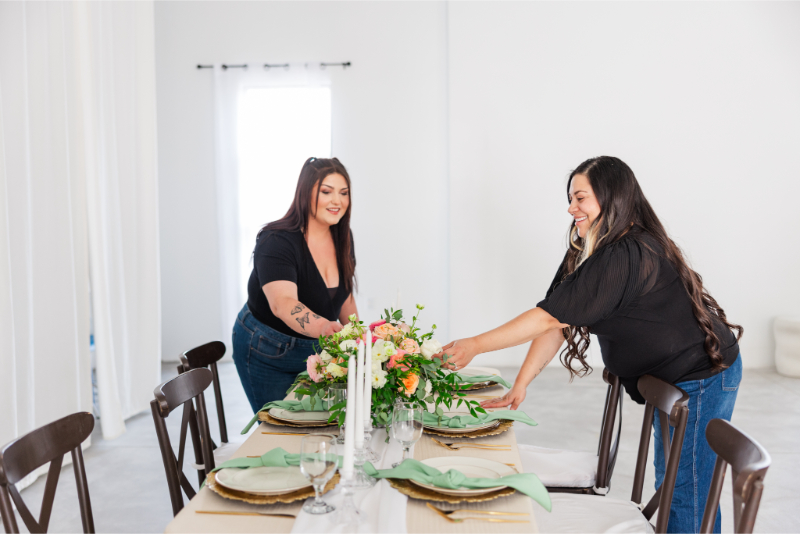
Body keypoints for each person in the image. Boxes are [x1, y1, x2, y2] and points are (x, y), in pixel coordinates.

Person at [438, 156, 742, 534]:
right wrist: (521, 384)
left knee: (688, 491)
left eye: (580, 198)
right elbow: (557, 320)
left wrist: (474, 345)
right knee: (677, 483)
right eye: (571, 198)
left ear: (610, 197)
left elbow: (548, 319)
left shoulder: (629, 252)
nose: (571, 208)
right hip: (675, 374)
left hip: (703, 372)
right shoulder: (592, 248)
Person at [232, 157, 358, 413]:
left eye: (343, 193)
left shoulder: (343, 236)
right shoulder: (276, 240)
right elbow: (283, 303)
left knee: (320, 423)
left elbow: (343, 294)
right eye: (326, 192)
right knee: (278, 427)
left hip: (315, 348)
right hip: (266, 350)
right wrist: (324, 326)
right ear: (305, 193)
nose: (337, 201)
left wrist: (359, 335)